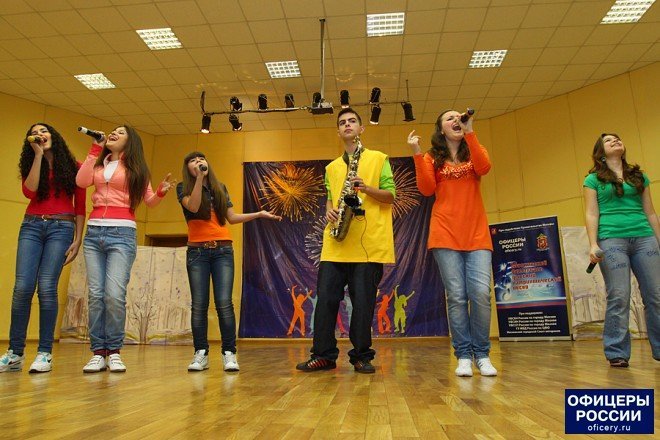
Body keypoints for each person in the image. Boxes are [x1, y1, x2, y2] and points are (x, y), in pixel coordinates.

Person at [296, 108, 396, 374]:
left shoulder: (378, 159)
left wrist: (366, 188)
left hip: (368, 245)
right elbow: (331, 198)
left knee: (362, 305)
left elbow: (390, 196)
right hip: (336, 244)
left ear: (361, 129)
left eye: (352, 121)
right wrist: (329, 210)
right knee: (326, 301)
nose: (347, 125)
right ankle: (323, 355)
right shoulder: (331, 168)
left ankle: (361, 356)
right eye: (342, 122)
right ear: (338, 132)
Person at [76, 125, 174, 373]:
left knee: (113, 295)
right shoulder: (99, 164)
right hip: (94, 232)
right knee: (96, 295)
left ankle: (114, 351)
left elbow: (150, 202)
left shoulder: (137, 170)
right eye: (113, 131)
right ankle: (98, 352)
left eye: (121, 132)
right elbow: (81, 181)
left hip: (122, 233)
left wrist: (160, 192)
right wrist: (94, 148)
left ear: (131, 142)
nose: (114, 134)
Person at [408, 109, 497, 377]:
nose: (456, 120)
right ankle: (464, 356)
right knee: (457, 296)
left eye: (459, 117)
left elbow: (484, 168)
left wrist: (470, 132)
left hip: (477, 234)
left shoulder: (474, 149)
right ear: (441, 129)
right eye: (450, 118)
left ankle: (482, 354)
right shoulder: (431, 158)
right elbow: (426, 189)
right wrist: (417, 152)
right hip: (445, 233)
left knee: (480, 293)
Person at [177, 152, 280, 372]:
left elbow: (231, 218)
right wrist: (199, 179)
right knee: (199, 305)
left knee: (224, 303)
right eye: (193, 161)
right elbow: (193, 207)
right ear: (188, 168)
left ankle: (229, 353)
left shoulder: (220, 188)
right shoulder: (183, 188)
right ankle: (201, 353)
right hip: (197, 252)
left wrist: (259, 214)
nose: (198, 162)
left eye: (201, 159)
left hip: (222, 250)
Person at [0, 124, 86, 374]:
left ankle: (45, 353)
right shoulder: (31, 163)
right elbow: (30, 192)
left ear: (54, 136)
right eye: (35, 131)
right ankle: (15, 353)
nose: (40, 134)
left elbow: (80, 206)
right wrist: (38, 155)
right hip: (31, 226)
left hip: (61, 227)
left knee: (47, 287)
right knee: (22, 288)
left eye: (44, 130)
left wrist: (78, 239)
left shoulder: (75, 167)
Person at [583, 133, 660, 367]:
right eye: (609, 140)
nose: (615, 141)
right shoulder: (593, 180)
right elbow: (591, 213)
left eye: (617, 139)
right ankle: (616, 351)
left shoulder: (639, 177)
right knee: (619, 295)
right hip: (611, 239)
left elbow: (650, 212)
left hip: (644, 238)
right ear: (600, 152)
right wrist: (593, 243)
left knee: (656, 295)